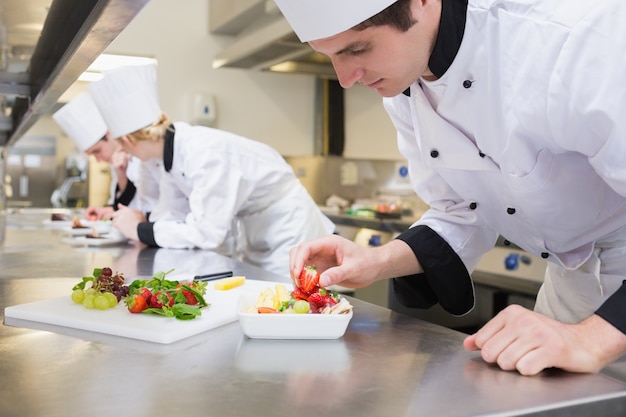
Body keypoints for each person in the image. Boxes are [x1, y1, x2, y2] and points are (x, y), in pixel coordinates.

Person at [276, 0, 626, 375]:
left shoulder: (573, 38)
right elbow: (460, 210)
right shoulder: (405, 89)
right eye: (329, 55)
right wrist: (376, 261)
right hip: (570, 291)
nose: (346, 78)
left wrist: (592, 339)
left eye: (359, 48)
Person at [88, 63, 335, 277]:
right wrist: (146, 223)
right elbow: (174, 213)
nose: (126, 155)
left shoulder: (205, 153)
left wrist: (140, 229)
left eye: (123, 147)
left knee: (291, 302)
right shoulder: (169, 156)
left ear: (129, 141)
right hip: (255, 230)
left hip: (288, 229)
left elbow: (205, 232)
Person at [52, 92, 156, 220]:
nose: (98, 159)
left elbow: (147, 207)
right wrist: (107, 210)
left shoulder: (144, 156)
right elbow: (125, 203)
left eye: (97, 151)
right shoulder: (116, 163)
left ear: (109, 134)